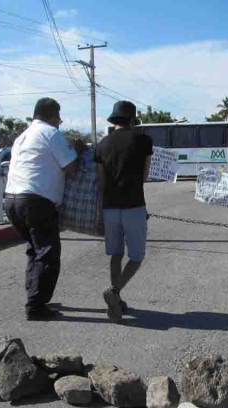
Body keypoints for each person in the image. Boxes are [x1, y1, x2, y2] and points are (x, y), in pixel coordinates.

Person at [4, 98, 78, 321]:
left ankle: (33, 295)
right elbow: (71, 166)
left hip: (12, 200)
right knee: (47, 253)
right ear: (51, 115)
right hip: (36, 201)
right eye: (58, 117)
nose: (60, 122)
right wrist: (76, 150)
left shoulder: (21, 137)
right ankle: (36, 306)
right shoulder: (51, 134)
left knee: (34, 251)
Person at [94, 101, 153, 323]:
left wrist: (100, 213)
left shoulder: (101, 145)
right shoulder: (143, 141)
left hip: (109, 209)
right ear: (131, 120)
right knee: (136, 257)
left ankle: (116, 303)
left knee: (116, 254)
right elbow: (146, 175)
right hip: (134, 206)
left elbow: (101, 182)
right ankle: (115, 291)